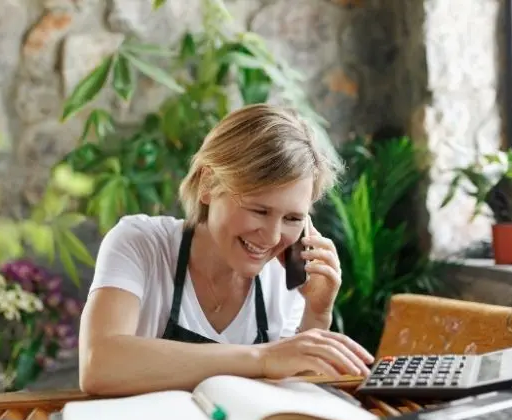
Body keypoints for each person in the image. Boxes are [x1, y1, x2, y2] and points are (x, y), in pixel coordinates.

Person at [78, 104, 374, 396]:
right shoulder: (140, 243)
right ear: (208, 183)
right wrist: (263, 358)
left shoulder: (286, 280)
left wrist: (317, 313)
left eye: (293, 218)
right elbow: (99, 365)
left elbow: (291, 400)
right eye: (259, 210)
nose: (272, 237)